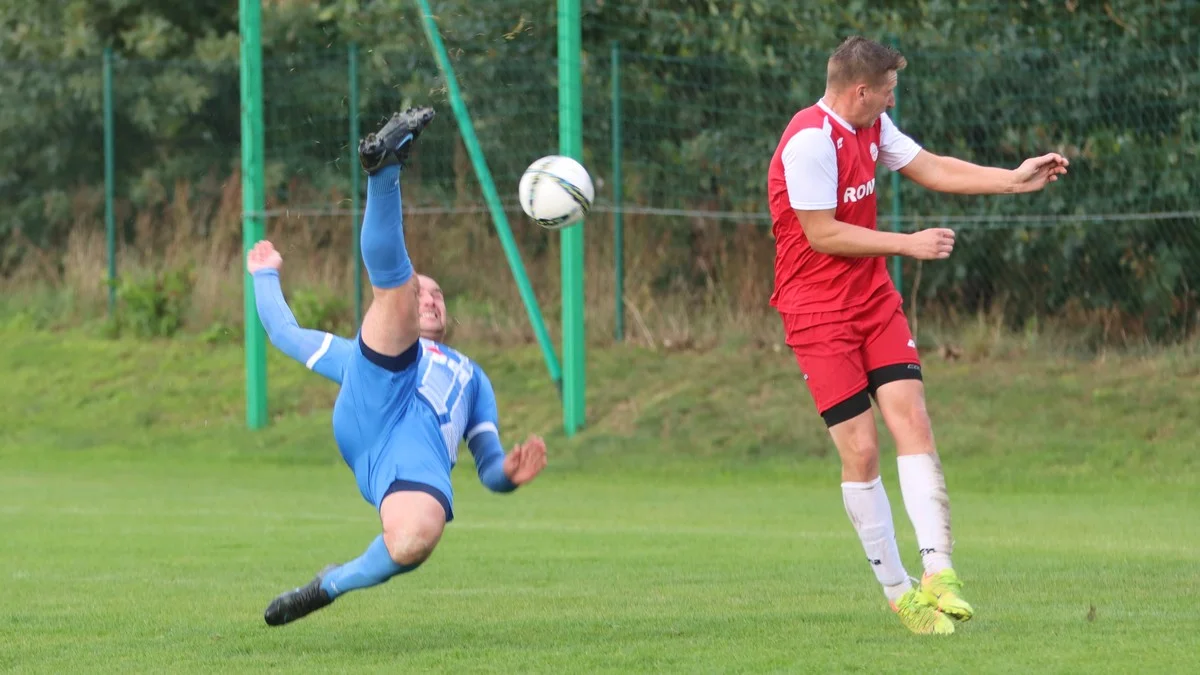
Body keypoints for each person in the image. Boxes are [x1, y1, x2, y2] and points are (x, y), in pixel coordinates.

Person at [766, 36, 1067, 635]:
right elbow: (822, 234)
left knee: (914, 418)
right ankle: (900, 592)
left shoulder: (873, 128)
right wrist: (907, 243)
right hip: (817, 313)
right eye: (888, 88)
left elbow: (929, 167)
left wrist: (1011, 180)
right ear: (860, 91)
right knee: (862, 451)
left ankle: (940, 571)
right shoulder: (809, 142)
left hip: (872, 300)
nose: (893, 95)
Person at [247, 107, 548, 626]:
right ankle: (384, 170)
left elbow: (490, 467)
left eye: (436, 294)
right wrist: (264, 276)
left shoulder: (471, 377)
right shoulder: (368, 346)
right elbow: (285, 334)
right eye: (422, 292)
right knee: (393, 293)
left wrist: (510, 475)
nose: (428, 299)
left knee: (412, 543)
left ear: (448, 311)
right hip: (374, 400)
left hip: (416, 459)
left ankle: (328, 585)